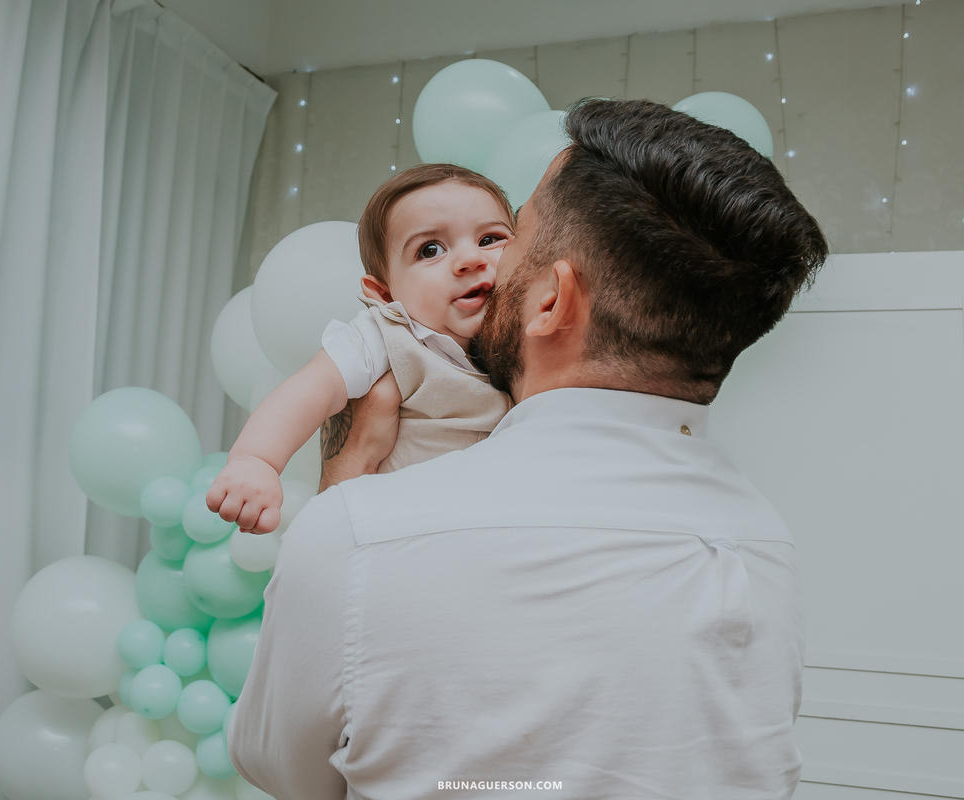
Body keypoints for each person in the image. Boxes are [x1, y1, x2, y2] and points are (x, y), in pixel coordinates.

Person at [228, 98, 828, 799]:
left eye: (508, 239)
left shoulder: (358, 535)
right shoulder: (765, 547)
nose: (481, 265)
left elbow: (284, 772)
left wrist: (349, 477)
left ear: (549, 302)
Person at [206, 164, 515, 533]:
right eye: (430, 249)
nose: (471, 260)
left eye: (489, 239)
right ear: (384, 293)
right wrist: (256, 460)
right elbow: (311, 389)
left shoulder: (525, 338)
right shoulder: (389, 334)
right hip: (395, 530)